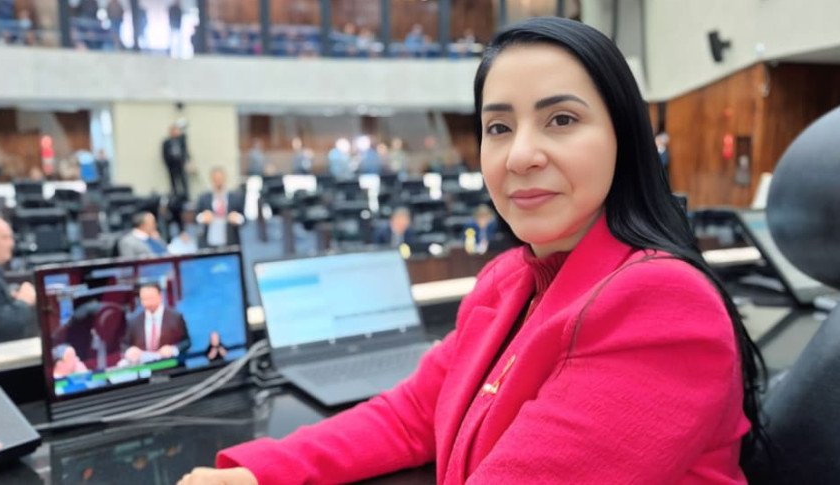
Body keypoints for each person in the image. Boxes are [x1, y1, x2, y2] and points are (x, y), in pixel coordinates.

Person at [179, 17, 763, 484]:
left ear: (623, 138)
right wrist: (260, 471)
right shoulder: (507, 281)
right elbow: (413, 415)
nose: (520, 156)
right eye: (499, 128)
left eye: (561, 119)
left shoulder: (663, 304)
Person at [0, 215, 37, 344]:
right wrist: (25, 301)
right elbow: (9, 327)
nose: (11, 244)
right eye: (5, 237)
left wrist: (9, 294)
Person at [122, 283, 190, 365]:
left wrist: (173, 349)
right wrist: (129, 350)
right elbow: (124, 344)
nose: (148, 302)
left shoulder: (175, 317)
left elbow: (186, 342)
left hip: (170, 365)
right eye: (144, 299)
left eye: (151, 298)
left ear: (160, 297)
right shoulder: (133, 320)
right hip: (143, 367)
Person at [195, 167, 244, 248]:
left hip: (230, 240)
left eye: (220, 178)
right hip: (210, 240)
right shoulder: (204, 198)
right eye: (215, 179)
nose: (218, 181)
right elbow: (196, 217)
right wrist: (202, 217)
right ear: (212, 180)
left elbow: (244, 218)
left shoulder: (235, 197)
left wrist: (237, 218)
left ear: (225, 178)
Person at [162, 124, 190, 200]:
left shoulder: (181, 140)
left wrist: (188, 162)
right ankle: (174, 196)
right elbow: (164, 154)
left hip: (181, 164)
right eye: (173, 131)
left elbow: (186, 151)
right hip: (171, 164)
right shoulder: (166, 142)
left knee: (183, 180)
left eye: (176, 131)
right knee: (173, 181)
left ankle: (186, 197)